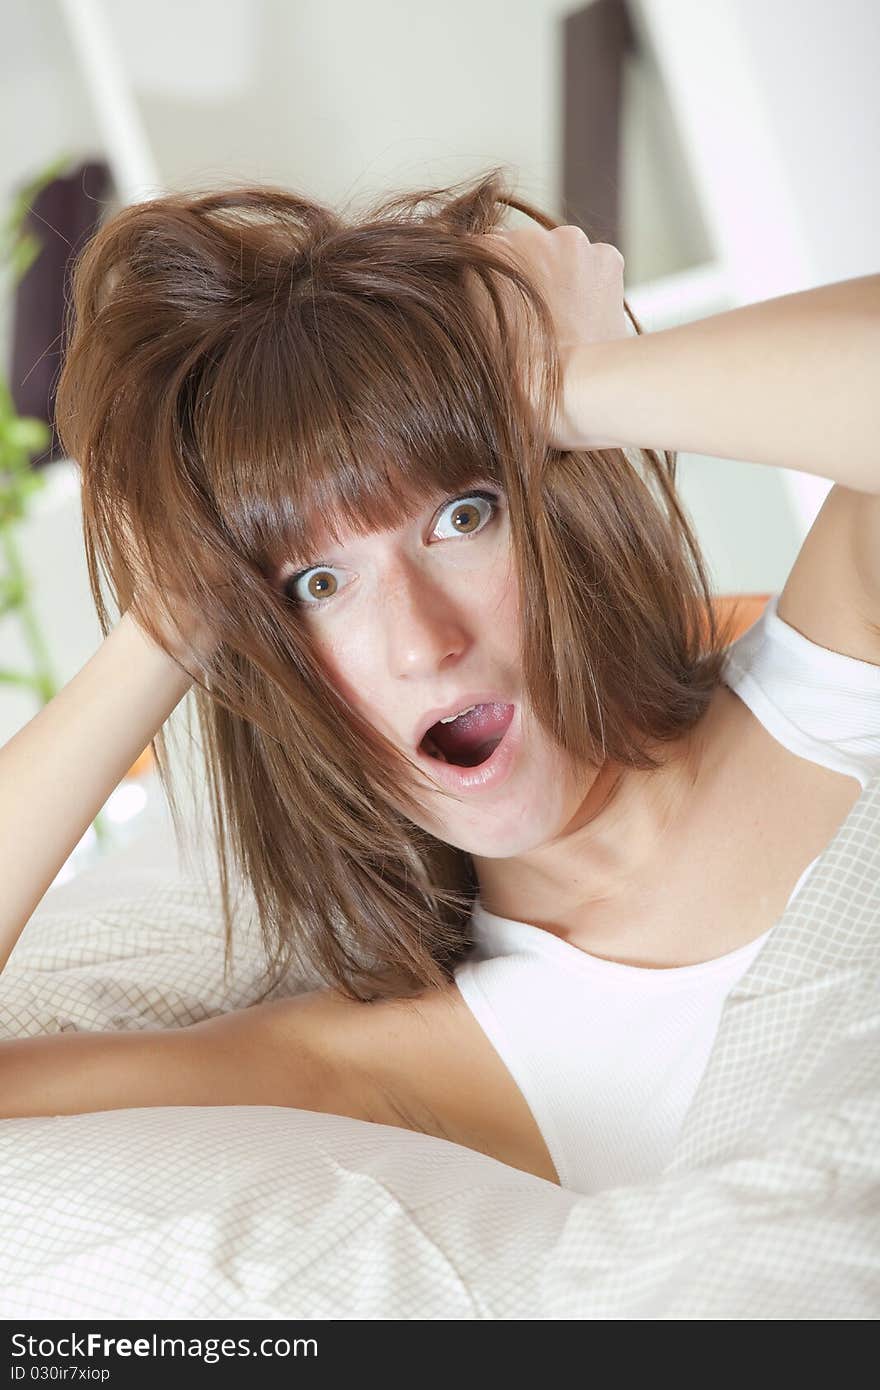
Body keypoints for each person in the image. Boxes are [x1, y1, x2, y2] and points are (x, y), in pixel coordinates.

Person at [1, 167, 877, 1194]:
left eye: (462, 517)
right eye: (319, 584)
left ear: (555, 496)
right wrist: (172, 620)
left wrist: (562, 382)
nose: (422, 642)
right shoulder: (405, 1067)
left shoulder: (834, 675)